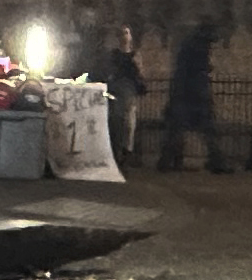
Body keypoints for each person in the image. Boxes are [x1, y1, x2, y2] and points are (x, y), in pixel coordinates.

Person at [153, 17, 235, 174]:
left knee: (178, 131)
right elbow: (193, 72)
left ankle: (166, 161)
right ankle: (215, 161)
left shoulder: (191, 46)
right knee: (205, 130)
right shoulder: (197, 48)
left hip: (185, 95)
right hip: (192, 96)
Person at [75, 24, 147, 168]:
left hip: (128, 92)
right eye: (122, 34)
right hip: (117, 91)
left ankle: (126, 152)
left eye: (127, 33)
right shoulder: (114, 56)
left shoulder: (134, 56)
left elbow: (139, 74)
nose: (125, 37)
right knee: (118, 121)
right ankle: (119, 152)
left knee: (128, 123)